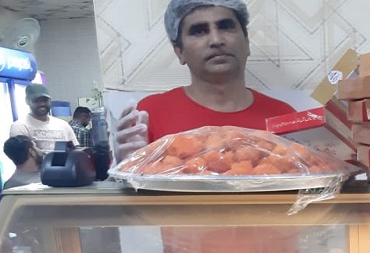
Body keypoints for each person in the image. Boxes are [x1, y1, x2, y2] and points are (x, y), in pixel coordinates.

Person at [114, 0, 294, 159]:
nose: (216, 40)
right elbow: (132, 182)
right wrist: (126, 167)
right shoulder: (149, 115)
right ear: (179, 51)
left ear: (246, 43)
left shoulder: (284, 117)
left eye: (225, 26)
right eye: (199, 31)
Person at [9, 84, 78, 156]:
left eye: (45, 100)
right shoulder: (20, 126)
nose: (42, 104)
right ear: (27, 101)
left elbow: (76, 152)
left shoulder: (63, 125)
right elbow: (23, 158)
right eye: (36, 101)